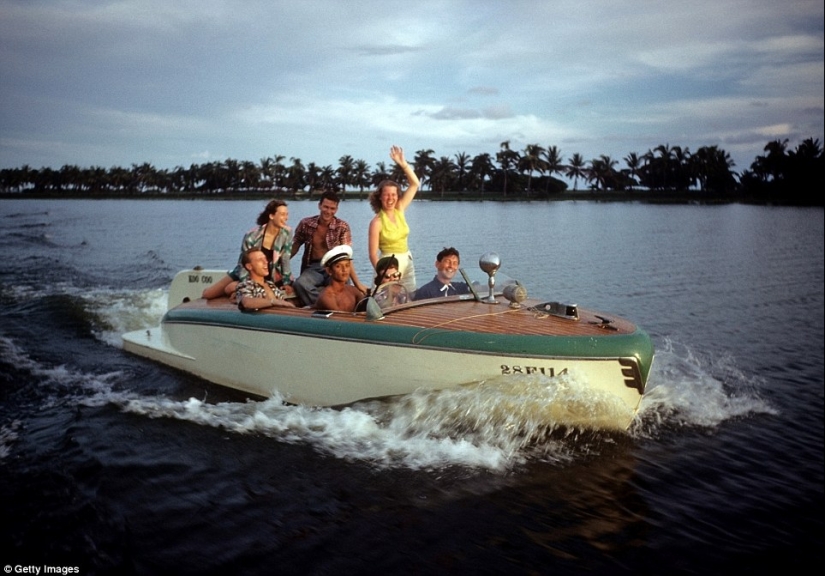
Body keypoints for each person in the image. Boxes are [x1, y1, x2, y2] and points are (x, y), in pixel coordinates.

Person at [202, 199, 294, 300]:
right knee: (208, 294)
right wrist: (245, 286)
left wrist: (287, 282)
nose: (286, 218)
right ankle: (236, 290)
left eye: (287, 214)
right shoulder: (252, 236)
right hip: (246, 272)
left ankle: (235, 290)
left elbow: (285, 259)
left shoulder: (287, 233)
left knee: (230, 288)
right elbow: (243, 264)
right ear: (271, 216)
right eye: (282, 214)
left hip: (270, 274)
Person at [290, 190, 367, 307]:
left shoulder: (342, 226)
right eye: (326, 207)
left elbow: (346, 257)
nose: (328, 211)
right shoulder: (306, 224)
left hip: (334, 267)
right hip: (313, 267)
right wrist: (279, 265)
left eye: (332, 208)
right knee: (300, 284)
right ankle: (322, 305)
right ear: (319, 206)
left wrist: (357, 283)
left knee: (344, 286)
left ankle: (328, 306)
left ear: (336, 209)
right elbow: (294, 247)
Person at [368, 145, 420, 292]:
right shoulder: (376, 222)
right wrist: (384, 273)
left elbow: (415, 184)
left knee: (410, 297)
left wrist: (403, 164)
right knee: (385, 299)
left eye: (393, 194)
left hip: (407, 261)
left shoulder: (400, 210)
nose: (390, 198)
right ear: (380, 196)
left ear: (397, 196)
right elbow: (372, 254)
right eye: (386, 195)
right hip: (388, 264)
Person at [314, 245, 364, 313]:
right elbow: (340, 317)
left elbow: (366, 306)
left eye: (347, 265)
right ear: (329, 271)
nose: (344, 270)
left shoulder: (352, 290)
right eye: (338, 266)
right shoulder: (327, 297)